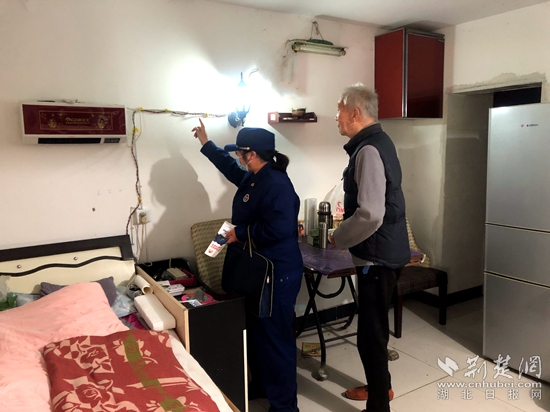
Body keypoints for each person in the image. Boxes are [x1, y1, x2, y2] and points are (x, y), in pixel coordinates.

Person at [192, 119, 303, 412]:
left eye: (240, 153)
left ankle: (285, 407)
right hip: (259, 273)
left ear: (252, 154)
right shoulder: (255, 177)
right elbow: (230, 168)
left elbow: (281, 228)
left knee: (275, 339)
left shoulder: (276, 184)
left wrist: (240, 233)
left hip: (277, 275)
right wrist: (206, 143)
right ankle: (265, 387)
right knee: (259, 335)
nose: (238, 158)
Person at [329, 84, 410, 412]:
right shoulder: (380, 141)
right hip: (384, 251)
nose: (336, 117)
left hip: (377, 257)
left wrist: (339, 237)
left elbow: (371, 214)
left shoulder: (368, 150)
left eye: (339, 110)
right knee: (374, 330)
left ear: (355, 113)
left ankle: (379, 405)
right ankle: (381, 387)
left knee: (371, 336)